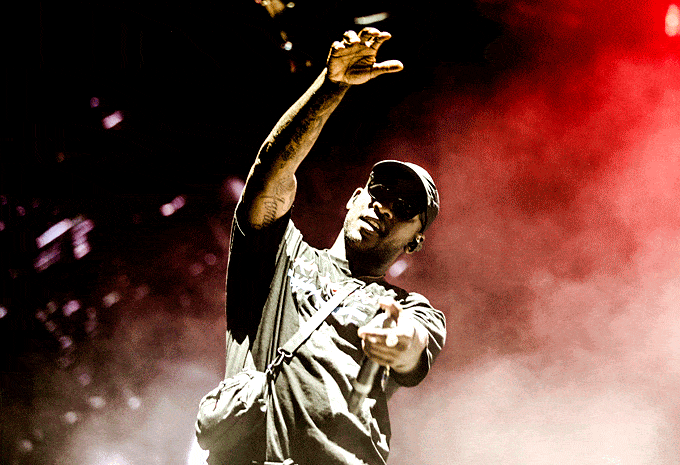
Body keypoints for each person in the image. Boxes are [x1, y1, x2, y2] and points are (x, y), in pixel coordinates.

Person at [205, 28, 446, 465]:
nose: (385, 206)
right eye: (380, 191)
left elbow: (414, 341)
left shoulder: (408, 307)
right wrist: (330, 87)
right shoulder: (279, 254)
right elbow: (269, 172)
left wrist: (399, 340)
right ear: (355, 198)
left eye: (405, 206)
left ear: (416, 240)